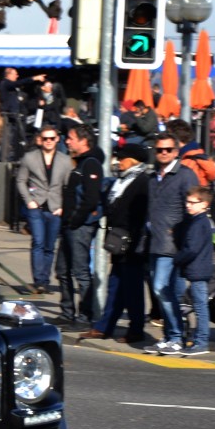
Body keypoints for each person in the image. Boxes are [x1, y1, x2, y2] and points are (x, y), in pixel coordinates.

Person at [80, 143, 152, 345]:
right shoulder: (121, 181)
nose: (118, 162)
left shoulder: (142, 181)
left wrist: (134, 239)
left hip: (133, 243)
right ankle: (104, 326)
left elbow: (140, 213)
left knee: (133, 289)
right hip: (119, 241)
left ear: (133, 160)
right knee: (116, 286)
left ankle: (136, 329)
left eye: (122, 158)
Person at [143, 132, 200, 355]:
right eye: (159, 150)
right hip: (154, 242)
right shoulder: (153, 176)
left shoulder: (185, 175)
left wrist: (181, 231)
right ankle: (170, 336)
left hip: (171, 244)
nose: (163, 153)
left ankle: (176, 336)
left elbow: (197, 206)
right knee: (165, 292)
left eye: (168, 149)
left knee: (161, 288)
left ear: (176, 152)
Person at [55, 124, 105, 326]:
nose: (67, 141)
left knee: (80, 271)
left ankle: (86, 315)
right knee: (62, 270)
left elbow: (91, 199)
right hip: (69, 226)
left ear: (83, 141)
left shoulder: (91, 164)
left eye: (71, 138)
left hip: (80, 227)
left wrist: (75, 220)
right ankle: (67, 312)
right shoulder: (80, 163)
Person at [16, 125, 72, 294]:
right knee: (38, 243)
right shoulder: (29, 158)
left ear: (57, 140)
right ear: (40, 140)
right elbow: (20, 180)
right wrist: (29, 201)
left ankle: (45, 280)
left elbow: (68, 186)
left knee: (49, 246)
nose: (48, 141)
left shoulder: (65, 160)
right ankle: (39, 280)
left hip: (55, 208)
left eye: (52, 138)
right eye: (45, 138)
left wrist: (63, 207)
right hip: (36, 206)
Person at [173, 185, 215, 357]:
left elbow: (192, 249)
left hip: (198, 269)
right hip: (199, 268)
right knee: (199, 305)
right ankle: (199, 340)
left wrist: (177, 260)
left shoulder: (199, 223)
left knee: (200, 307)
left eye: (192, 202)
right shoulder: (199, 221)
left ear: (204, 204)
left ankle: (201, 342)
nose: (188, 205)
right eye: (187, 201)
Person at [0, 68, 45, 161]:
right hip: (8, 117)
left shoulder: (13, 88)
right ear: (8, 75)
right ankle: (4, 158)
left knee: (16, 139)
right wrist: (34, 78)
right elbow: (18, 83)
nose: (17, 76)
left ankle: (16, 157)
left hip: (15, 117)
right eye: (15, 74)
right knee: (7, 139)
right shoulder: (5, 83)